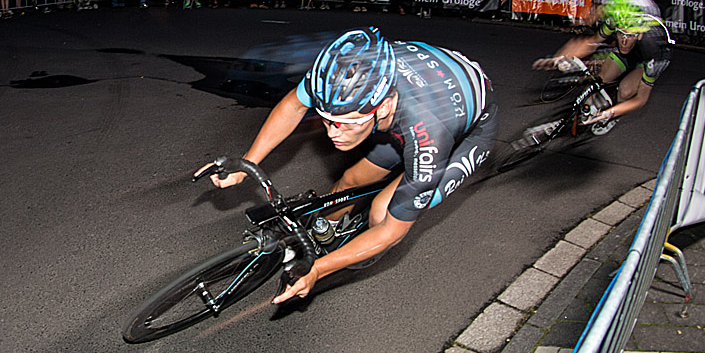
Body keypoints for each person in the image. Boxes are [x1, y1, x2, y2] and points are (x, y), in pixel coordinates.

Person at [194, 27, 497, 304]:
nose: (331, 133)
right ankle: (324, 231)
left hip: (465, 124)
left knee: (382, 213)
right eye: (325, 120)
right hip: (422, 86)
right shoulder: (338, 74)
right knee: (350, 179)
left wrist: (319, 270)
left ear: (385, 106)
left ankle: (341, 248)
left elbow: (392, 231)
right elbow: (293, 105)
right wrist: (248, 162)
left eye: (344, 123)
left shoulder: (429, 133)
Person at [535, 0, 673, 134]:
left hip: (649, 56)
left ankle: (613, 117)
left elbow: (640, 99)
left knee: (626, 91)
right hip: (635, 41)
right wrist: (558, 57)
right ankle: (586, 109)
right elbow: (592, 41)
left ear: (639, 34)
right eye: (619, 34)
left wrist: (611, 113)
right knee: (600, 77)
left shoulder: (653, 47)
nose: (624, 41)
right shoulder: (619, 14)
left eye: (628, 35)